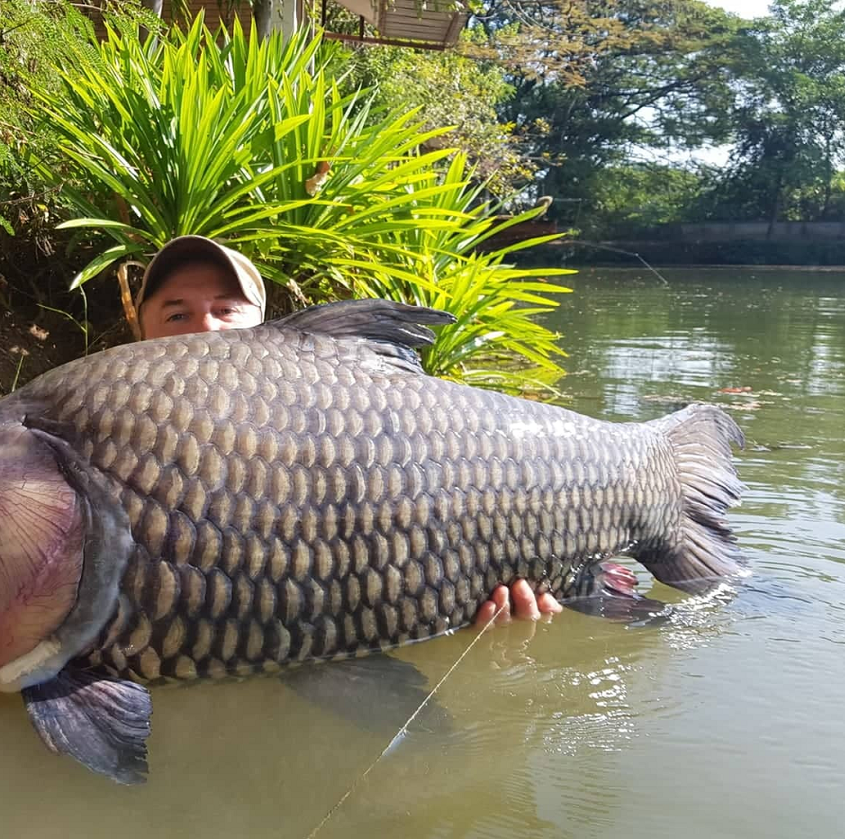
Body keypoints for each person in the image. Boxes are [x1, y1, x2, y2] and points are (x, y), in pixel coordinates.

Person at [132, 235, 564, 628]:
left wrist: (474, 592)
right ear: (140, 330)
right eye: (177, 314)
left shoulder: (353, 424)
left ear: (263, 327)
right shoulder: (101, 428)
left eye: (226, 310)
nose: (205, 328)